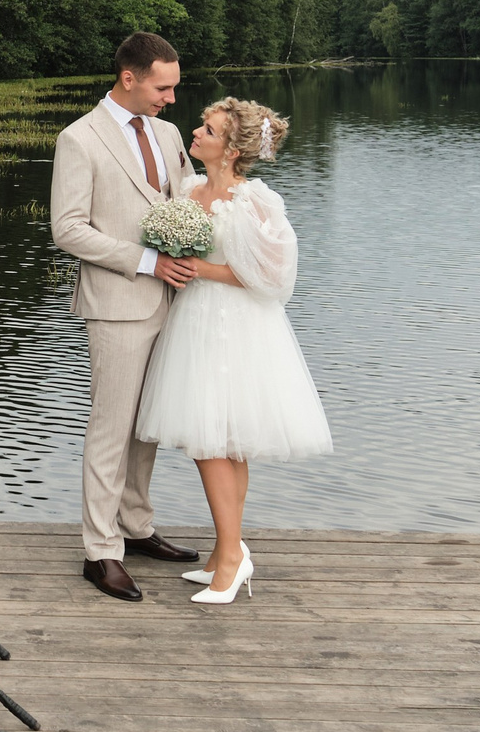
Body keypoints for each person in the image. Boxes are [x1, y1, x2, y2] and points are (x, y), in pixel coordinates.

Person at [134, 97, 333, 606]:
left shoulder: (254, 200)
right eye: (201, 125)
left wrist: (199, 269)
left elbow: (270, 277)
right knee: (222, 440)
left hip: (234, 326)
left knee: (214, 443)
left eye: (208, 129)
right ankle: (230, 550)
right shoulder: (189, 189)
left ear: (230, 148)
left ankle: (230, 558)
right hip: (195, 322)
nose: (196, 133)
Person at [49, 31, 206, 601]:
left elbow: (185, 200)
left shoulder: (166, 135)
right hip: (117, 304)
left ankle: (136, 527)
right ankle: (100, 550)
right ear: (130, 78)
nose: (171, 99)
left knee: (149, 425)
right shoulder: (79, 139)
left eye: (174, 88)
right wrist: (147, 262)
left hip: (173, 302)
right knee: (112, 428)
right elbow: (67, 229)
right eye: (163, 87)